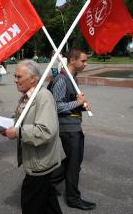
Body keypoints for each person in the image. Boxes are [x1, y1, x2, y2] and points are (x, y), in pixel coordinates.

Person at [1, 60, 64, 214]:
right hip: (35, 159)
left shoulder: (44, 97)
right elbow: (25, 118)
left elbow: (46, 131)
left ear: (33, 79)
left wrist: (18, 132)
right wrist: (8, 125)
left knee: (31, 204)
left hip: (40, 163)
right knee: (48, 201)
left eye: (18, 76)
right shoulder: (26, 97)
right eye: (15, 76)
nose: (15, 79)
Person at [50, 49, 96, 211]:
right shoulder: (62, 79)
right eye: (83, 61)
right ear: (72, 61)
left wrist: (81, 106)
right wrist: (77, 104)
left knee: (73, 160)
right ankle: (73, 198)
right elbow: (55, 106)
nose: (86, 64)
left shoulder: (72, 77)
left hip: (73, 124)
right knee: (74, 162)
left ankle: (49, 183)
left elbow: (68, 101)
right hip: (67, 127)